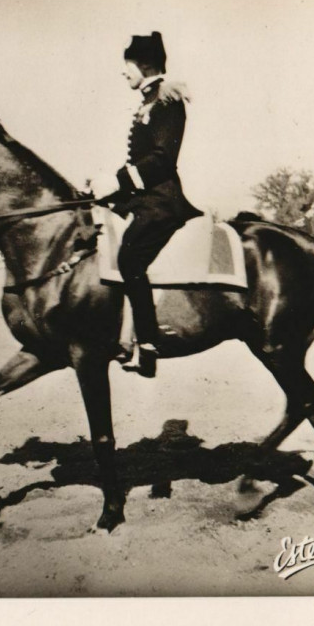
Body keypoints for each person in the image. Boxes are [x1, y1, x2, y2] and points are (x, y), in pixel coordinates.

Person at [90, 31, 202, 378]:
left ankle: (148, 345)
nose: (123, 73)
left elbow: (162, 159)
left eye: (127, 66)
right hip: (143, 198)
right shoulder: (148, 99)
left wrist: (118, 180)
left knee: (130, 257)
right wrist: (106, 186)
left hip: (162, 202)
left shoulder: (166, 100)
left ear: (144, 64)